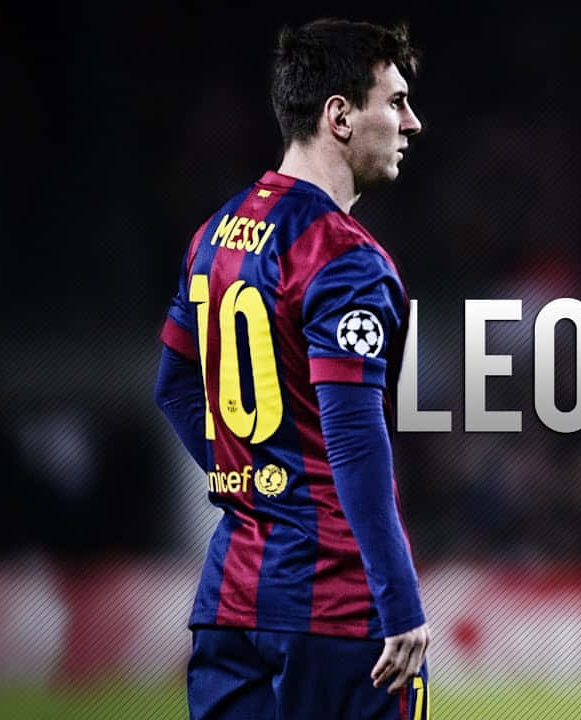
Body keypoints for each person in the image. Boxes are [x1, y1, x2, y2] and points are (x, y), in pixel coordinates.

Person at [154, 19, 429, 719]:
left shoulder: (215, 236)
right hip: (336, 610)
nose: (412, 123)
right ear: (340, 115)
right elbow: (355, 440)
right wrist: (399, 600)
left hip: (230, 600)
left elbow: (175, 385)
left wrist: (255, 480)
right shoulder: (344, 258)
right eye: (396, 102)